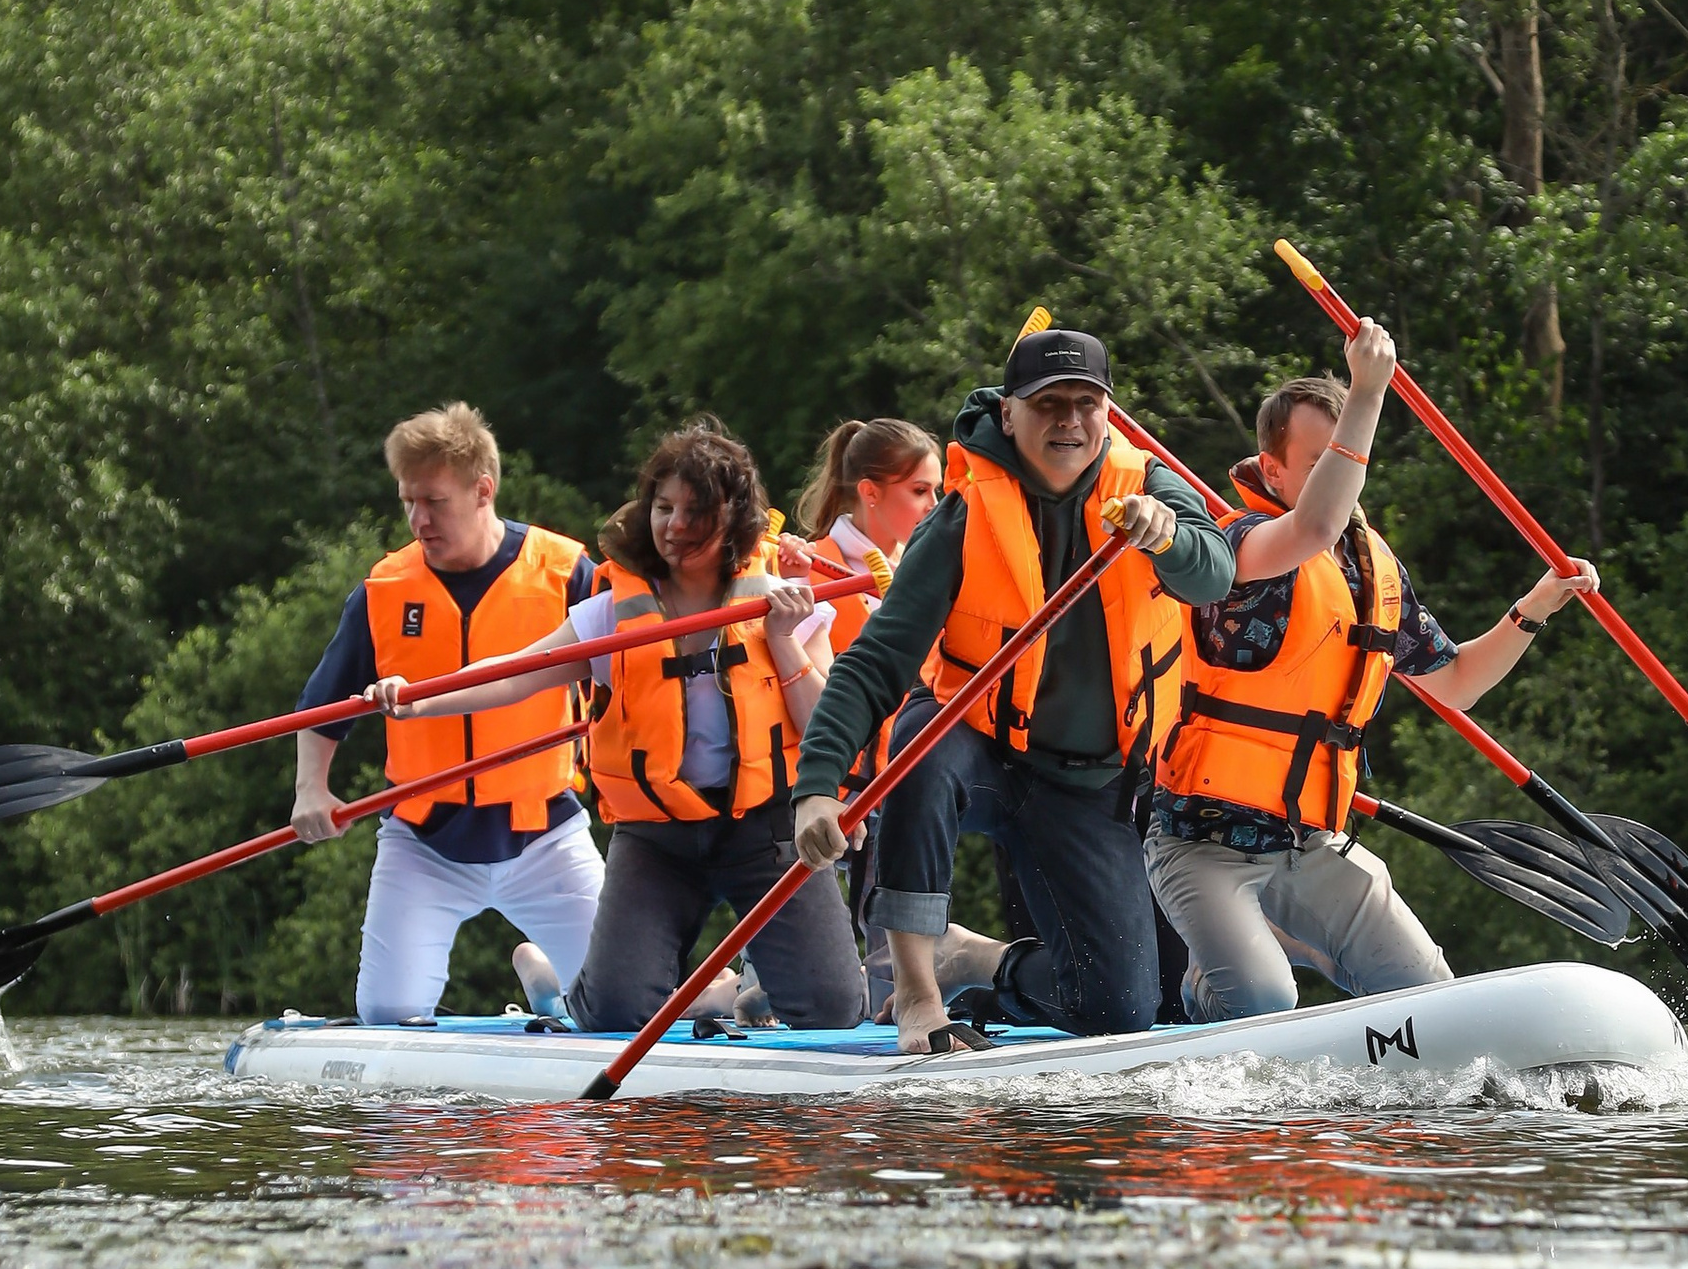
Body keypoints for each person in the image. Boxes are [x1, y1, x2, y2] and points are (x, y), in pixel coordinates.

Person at [791, 326, 1233, 1043]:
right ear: (1009, 416)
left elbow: (1214, 572)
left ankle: (977, 962)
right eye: (1048, 403)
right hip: (980, 749)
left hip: (1090, 783)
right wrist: (816, 786)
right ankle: (915, 993)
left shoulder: (1151, 487)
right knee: (920, 751)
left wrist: (1169, 538)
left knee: (1121, 1011)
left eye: (1086, 403)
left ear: (1108, 413)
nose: (1068, 420)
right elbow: (876, 660)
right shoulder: (964, 514)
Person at [1144, 330, 1601, 1020]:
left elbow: (1456, 684)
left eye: (1351, 449)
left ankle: (1278, 940)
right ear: (1272, 472)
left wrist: (1538, 604)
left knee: (1434, 1000)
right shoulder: (1238, 543)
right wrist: (1369, 392)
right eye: (1323, 455)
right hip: (1202, 845)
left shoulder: (1374, 573)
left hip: (1311, 846)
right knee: (1265, 1001)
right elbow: (1315, 526)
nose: (1346, 470)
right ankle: (1209, 982)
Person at [382, 420, 867, 1033]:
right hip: (659, 840)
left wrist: (783, 642)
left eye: (695, 512)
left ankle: (751, 983)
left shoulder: (783, 603)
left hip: (765, 831)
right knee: (613, 1014)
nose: (674, 526)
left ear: (734, 522)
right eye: (663, 508)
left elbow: (828, 731)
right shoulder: (612, 612)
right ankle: (562, 994)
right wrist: (419, 699)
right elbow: (517, 674)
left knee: (832, 1013)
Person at [292, 403, 605, 1025]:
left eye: (433, 501)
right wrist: (311, 789)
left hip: (546, 835)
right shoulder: (384, 589)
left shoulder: (567, 571)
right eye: (408, 500)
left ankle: (557, 989)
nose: (417, 518)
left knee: (635, 1007)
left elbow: (625, 671)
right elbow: (324, 701)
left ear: (482, 489)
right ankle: (559, 993)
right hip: (422, 841)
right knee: (386, 1014)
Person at [781, 415, 1002, 1023]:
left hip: (893, 788)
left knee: (893, 975)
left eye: (937, 489)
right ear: (870, 492)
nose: (936, 503)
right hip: (826, 798)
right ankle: (748, 989)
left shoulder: (929, 561)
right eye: (920, 491)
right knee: (799, 987)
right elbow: (823, 697)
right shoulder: (808, 572)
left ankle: (937, 990)